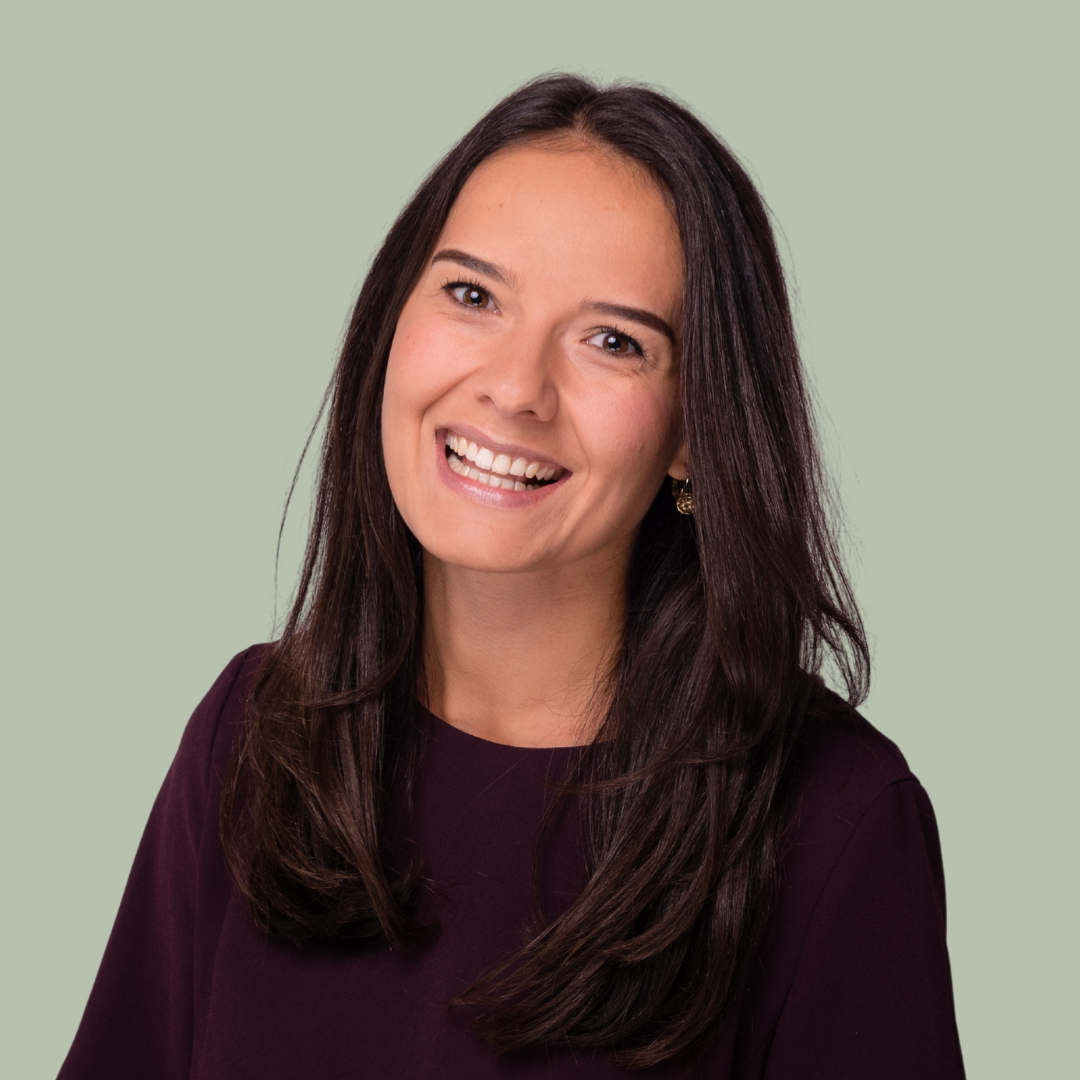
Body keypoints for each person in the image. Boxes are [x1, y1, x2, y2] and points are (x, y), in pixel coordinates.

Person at [58, 75, 965, 1078]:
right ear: (391, 325)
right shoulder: (255, 732)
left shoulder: (835, 823)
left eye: (613, 341)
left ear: (696, 433)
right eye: (473, 295)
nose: (516, 387)